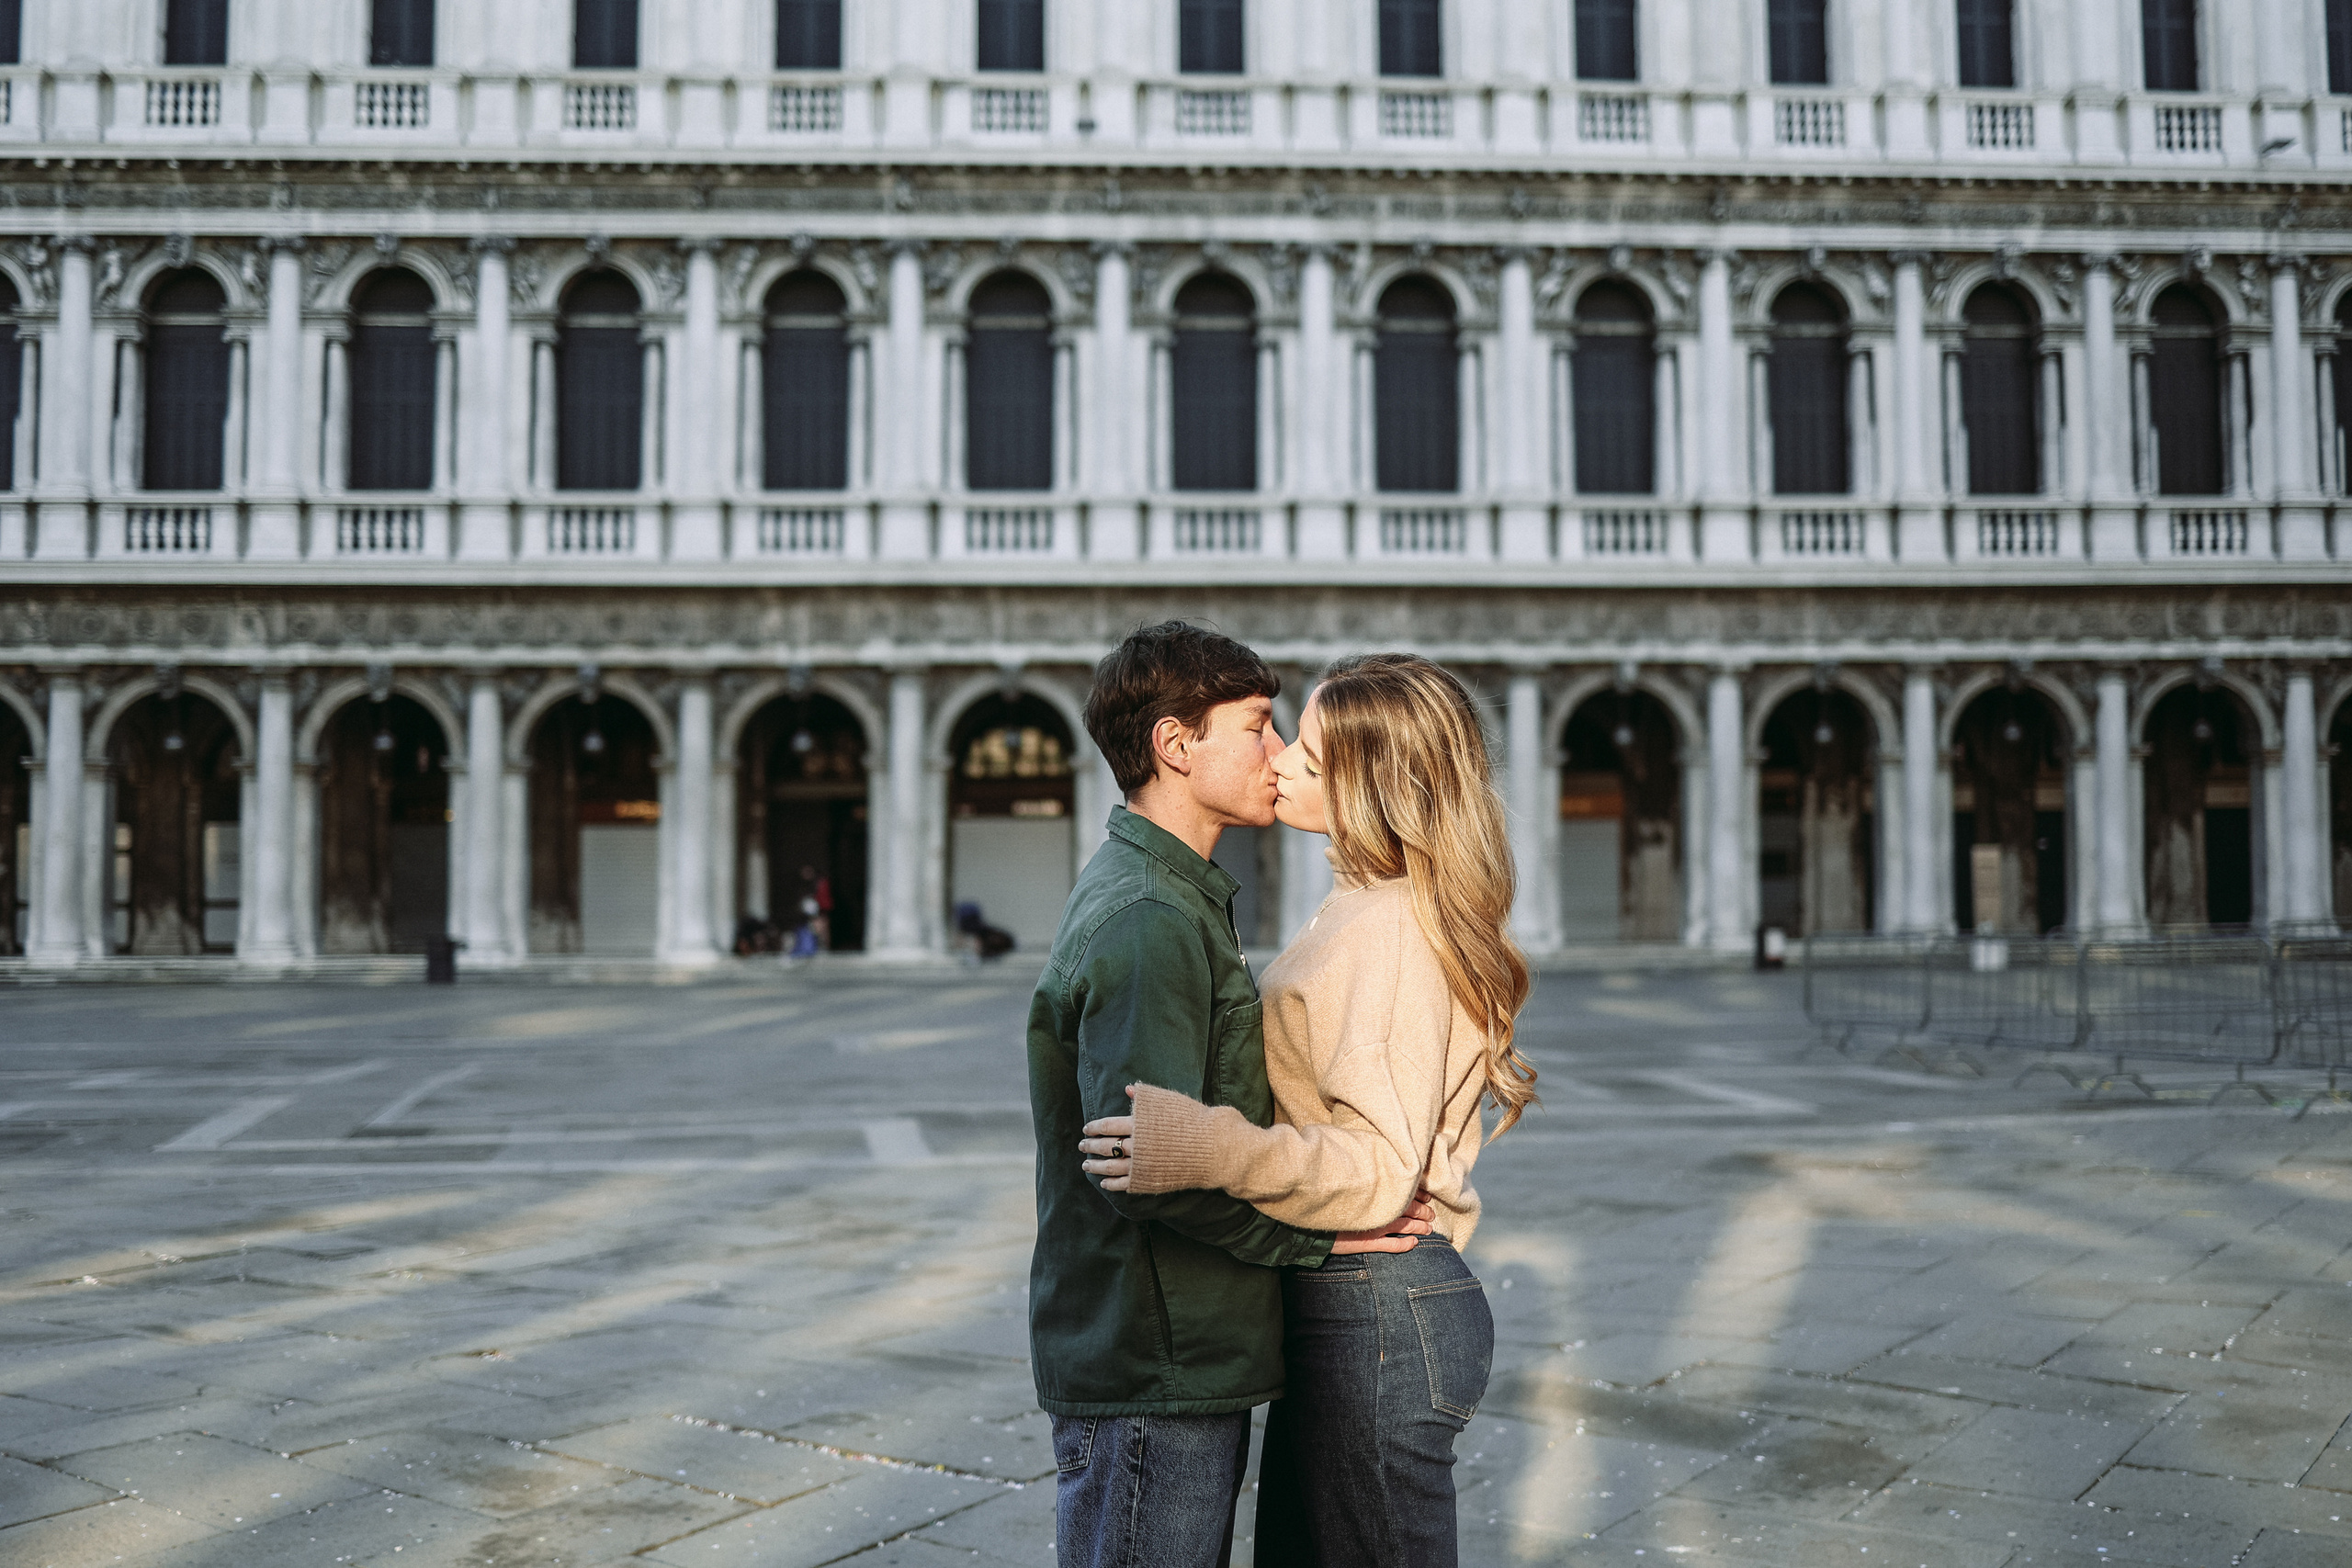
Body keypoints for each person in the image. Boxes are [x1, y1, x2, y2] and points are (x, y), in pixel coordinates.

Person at [1079, 652, 1536, 1567]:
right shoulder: (1366, 904)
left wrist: (1210, 1147)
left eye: (1314, 756)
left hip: (1375, 1308)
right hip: (1356, 1302)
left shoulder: (1391, 928)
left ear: (1377, 785)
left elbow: (1374, 1167)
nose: (1280, 758)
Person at [1027, 623, 1433, 1568]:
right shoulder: (1149, 920)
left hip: (1171, 1347)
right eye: (1256, 726)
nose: (1279, 752)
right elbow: (1145, 1166)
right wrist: (1318, 1235)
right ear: (1175, 746)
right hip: (1157, 1359)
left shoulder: (1169, 898)